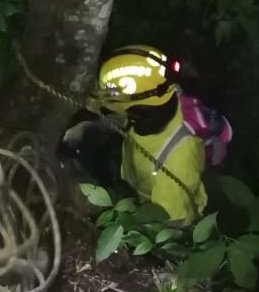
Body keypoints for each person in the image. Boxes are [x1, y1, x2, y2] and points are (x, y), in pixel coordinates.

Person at [68, 45, 230, 228]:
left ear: (138, 108)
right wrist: (88, 120)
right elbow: (107, 103)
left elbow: (170, 226)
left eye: (114, 96)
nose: (109, 100)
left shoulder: (175, 162)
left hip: (162, 203)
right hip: (136, 173)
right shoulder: (159, 96)